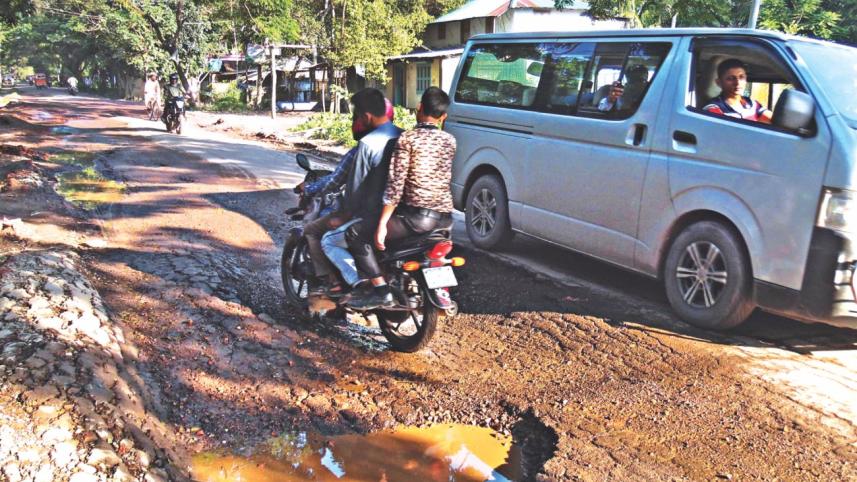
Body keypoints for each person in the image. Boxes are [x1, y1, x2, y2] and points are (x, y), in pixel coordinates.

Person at [324, 87, 455, 309]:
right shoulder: (450, 140)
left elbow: (395, 184)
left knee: (356, 234)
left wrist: (383, 224)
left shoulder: (408, 139)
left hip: (417, 218)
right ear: (444, 117)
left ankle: (381, 291)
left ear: (419, 108)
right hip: (445, 220)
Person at [303, 91, 400, 295]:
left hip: (368, 214)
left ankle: (337, 283)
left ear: (365, 117)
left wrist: (344, 214)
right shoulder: (404, 136)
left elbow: (352, 187)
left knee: (318, 233)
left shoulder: (366, 145)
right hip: (399, 214)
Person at [702, 58, 772, 123]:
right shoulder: (713, 109)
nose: (737, 83)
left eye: (741, 77)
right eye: (731, 78)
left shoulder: (752, 104)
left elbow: (772, 119)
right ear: (719, 82)